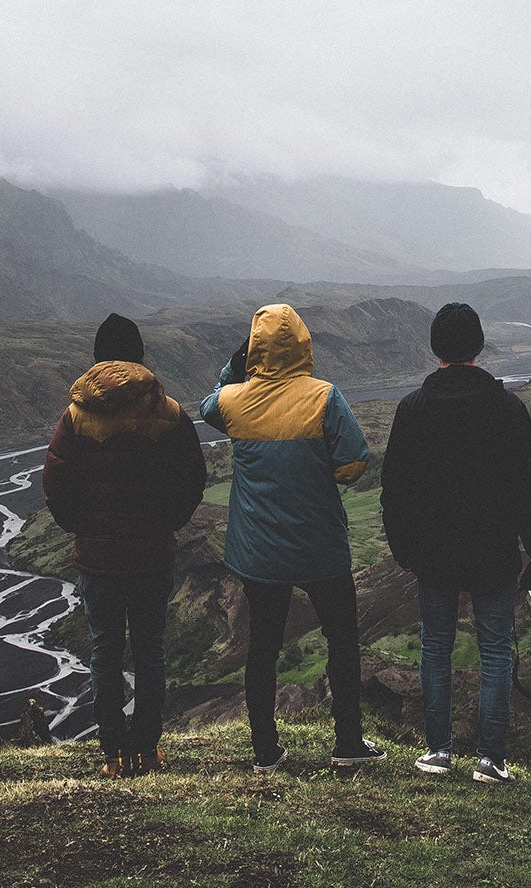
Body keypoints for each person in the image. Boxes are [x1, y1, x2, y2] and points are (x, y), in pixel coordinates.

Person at [201, 302, 385, 771]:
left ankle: (265, 750)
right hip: (320, 544)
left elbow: (209, 405)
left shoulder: (235, 401)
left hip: (259, 552)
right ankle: (347, 743)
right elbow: (351, 465)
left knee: (261, 647)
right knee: (342, 640)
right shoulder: (324, 397)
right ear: (304, 344)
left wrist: (237, 364)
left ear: (255, 349)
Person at [380, 302, 531, 784]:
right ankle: (491, 760)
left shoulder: (412, 408)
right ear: (478, 346)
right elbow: (529, 487)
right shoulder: (508, 408)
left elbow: (395, 488)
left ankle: (438, 752)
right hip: (493, 551)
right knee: (496, 649)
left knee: (435, 646)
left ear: (436, 347)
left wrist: (404, 550)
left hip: (432, 554)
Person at [43, 313, 207, 778]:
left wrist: (84, 530)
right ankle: (149, 751)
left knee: (106, 651)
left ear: (98, 357)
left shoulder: (77, 415)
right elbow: (192, 479)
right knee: (151, 649)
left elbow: (56, 484)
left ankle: (113, 755)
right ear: (140, 356)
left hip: (98, 558)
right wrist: (168, 523)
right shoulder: (170, 412)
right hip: (153, 553)